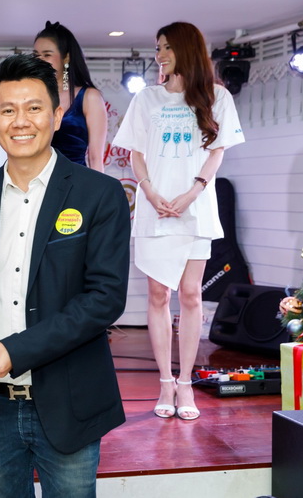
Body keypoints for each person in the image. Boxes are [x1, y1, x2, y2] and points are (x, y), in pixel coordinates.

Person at [0, 54, 131, 498]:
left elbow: (104, 299)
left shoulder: (99, 194)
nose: (20, 121)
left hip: (69, 401)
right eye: (8, 110)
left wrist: (16, 351)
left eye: (34, 108)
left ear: (57, 116)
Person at [112, 22, 245, 421]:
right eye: (158, 47)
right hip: (154, 207)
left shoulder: (217, 96)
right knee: (157, 295)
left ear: (186, 49)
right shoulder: (147, 98)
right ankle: (165, 382)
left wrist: (193, 192)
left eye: (167, 47)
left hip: (195, 207)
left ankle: (185, 382)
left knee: (190, 295)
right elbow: (135, 153)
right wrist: (149, 191)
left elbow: (217, 151)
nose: (160, 55)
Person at [33, 21, 108, 172]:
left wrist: (98, 187)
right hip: (36, 179)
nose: (40, 60)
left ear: (66, 58)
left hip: (75, 180)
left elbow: (95, 158)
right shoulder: (32, 96)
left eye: (47, 55)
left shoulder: (89, 97)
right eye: (36, 55)